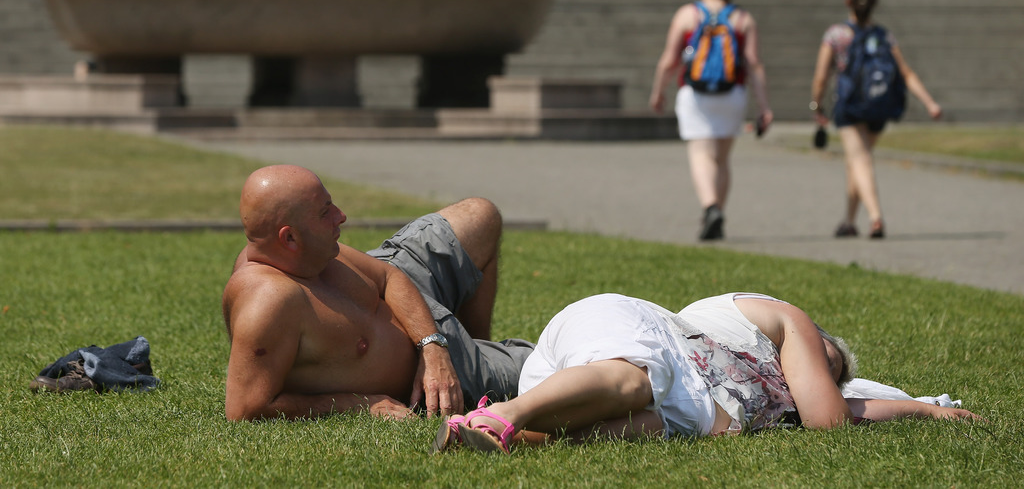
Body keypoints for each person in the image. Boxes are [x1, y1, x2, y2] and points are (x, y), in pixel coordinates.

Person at [432, 292, 982, 454]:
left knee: (661, 421)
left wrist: (931, 411)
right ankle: (504, 414)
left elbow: (850, 404)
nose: (815, 375)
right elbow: (831, 420)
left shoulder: (751, 400)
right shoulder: (780, 318)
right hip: (622, 334)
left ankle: (519, 438)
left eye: (826, 372)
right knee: (636, 382)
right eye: (821, 359)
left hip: (586, 385)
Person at [221, 164, 534, 421]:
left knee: (481, 215)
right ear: (289, 238)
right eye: (325, 212)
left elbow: (387, 276)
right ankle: (479, 365)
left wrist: (432, 346)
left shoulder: (303, 252)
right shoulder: (268, 303)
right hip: (430, 367)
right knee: (569, 361)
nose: (341, 216)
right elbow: (245, 409)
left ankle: (476, 343)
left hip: (418, 313)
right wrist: (361, 403)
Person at [649, 0, 773, 241]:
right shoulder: (743, 19)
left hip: (696, 94)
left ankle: (710, 207)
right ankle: (717, 213)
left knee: (700, 153)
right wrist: (764, 106)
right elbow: (754, 63)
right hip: (732, 94)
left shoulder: (687, 15)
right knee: (722, 158)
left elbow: (670, 60)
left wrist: (659, 91)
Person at [811, 0, 943, 239]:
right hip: (879, 106)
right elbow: (906, 73)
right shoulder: (883, 36)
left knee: (860, 160)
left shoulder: (836, 35)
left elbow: (821, 77)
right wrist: (929, 103)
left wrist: (817, 105)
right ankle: (848, 221)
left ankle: (875, 218)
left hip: (849, 108)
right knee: (857, 163)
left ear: (848, 1)